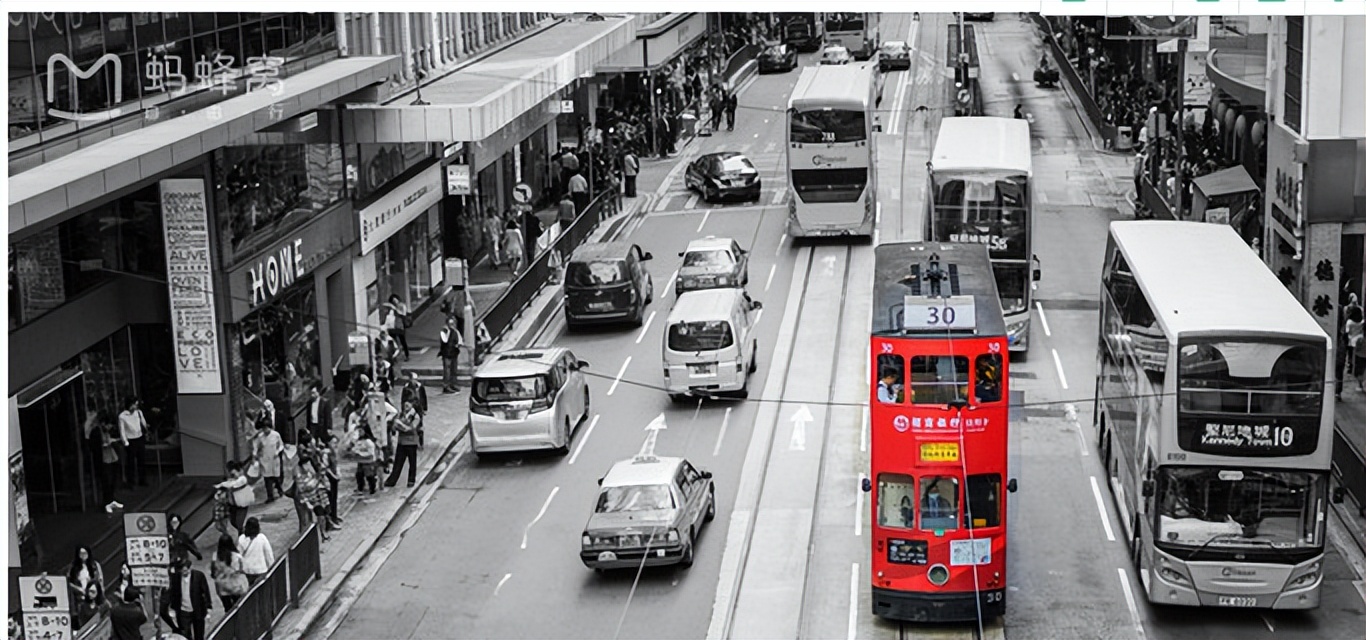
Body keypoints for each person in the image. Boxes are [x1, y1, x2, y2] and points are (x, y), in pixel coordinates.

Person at [161, 557, 212, 640]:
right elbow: (174, 593)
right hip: (183, 611)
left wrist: (208, 607)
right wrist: (173, 607)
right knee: (185, 635)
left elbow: (205, 592)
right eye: (182, 570)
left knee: (199, 635)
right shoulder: (175, 578)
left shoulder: (199, 576)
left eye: (186, 570)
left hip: (198, 610)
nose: (185, 572)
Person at [385, 399, 423, 489]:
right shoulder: (401, 414)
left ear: (412, 405)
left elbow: (410, 429)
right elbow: (395, 426)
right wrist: (396, 426)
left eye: (407, 405)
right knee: (398, 462)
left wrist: (400, 425)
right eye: (404, 405)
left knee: (412, 462)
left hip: (411, 442)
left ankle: (411, 480)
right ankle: (392, 480)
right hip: (401, 441)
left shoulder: (415, 417)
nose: (405, 407)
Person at [89, 412, 123, 512]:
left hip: (111, 457)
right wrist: (104, 444)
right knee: (106, 481)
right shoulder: (96, 432)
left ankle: (112, 499)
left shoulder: (107, 431)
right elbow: (94, 447)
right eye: (108, 425)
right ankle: (106, 502)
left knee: (113, 479)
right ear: (103, 423)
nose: (110, 427)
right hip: (103, 459)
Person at [210, 534, 249, 613]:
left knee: (228, 609)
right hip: (236, 586)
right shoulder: (237, 557)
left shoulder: (215, 556)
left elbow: (213, 573)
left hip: (222, 587)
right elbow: (244, 569)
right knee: (239, 607)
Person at [252, 412, 285, 503]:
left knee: (276, 477)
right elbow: (256, 447)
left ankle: (279, 490)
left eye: (267, 428)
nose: (266, 430)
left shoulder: (276, 435)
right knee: (267, 479)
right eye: (264, 428)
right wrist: (254, 456)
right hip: (265, 459)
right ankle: (270, 496)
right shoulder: (260, 437)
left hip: (274, 459)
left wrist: (277, 451)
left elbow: (281, 445)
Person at [118, 397, 149, 486]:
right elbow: (122, 430)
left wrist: (145, 430)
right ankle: (131, 481)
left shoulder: (138, 412)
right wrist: (125, 442)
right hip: (130, 440)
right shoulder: (122, 416)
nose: (136, 406)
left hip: (139, 437)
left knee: (141, 460)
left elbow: (143, 422)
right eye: (134, 404)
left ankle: (142, 480)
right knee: (130, 462)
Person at [215, 461, 252, 535]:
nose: (232, 475)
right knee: (233, 522)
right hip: (232, 504)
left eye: (233, 473)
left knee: (239, 523)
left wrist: (221, 484)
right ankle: (243, 532)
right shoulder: (231, 479)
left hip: (242, 505)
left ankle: (242, 535)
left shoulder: (242, 479)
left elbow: (232, 485)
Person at [237, 518, 274, 585]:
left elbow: (238, 556)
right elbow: (269, 555)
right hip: (261, 571)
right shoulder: (262, 538)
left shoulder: (241, 539)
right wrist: (272, 568)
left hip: (247, 571)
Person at [350, 426, 381, 495]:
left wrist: (360, 453)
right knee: (359, 475)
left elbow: (371, 453)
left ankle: (372, 488)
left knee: (369, 476)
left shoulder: (368, 442)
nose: (359, 433)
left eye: (361, 431)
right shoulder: (358, 441)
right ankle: (360, 488)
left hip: (368, 461)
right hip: (360, 461)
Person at [383, 294, 412, 361]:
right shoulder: (391, 307)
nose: (395, 301)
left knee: (402, 340)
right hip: (392, 326)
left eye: (395, 300)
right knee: (393, 341)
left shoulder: (401, 306)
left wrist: (394, 308)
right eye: (393, 301)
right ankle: (394, 356)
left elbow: (403, 314)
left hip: (399, 325)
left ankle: (407, 355)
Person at [439, 316, 463, 394]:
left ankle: (453, 384)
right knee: (447, 370)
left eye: (453, 323)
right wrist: (449, 331)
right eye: (450, 323)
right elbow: (445, 340)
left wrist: (458, 345)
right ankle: (446, 386)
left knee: (454, 370)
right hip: (446, 353)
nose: (452, 325)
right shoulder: (444, 331)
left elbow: (460, 341)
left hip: (454, 353)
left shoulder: (455, 331)